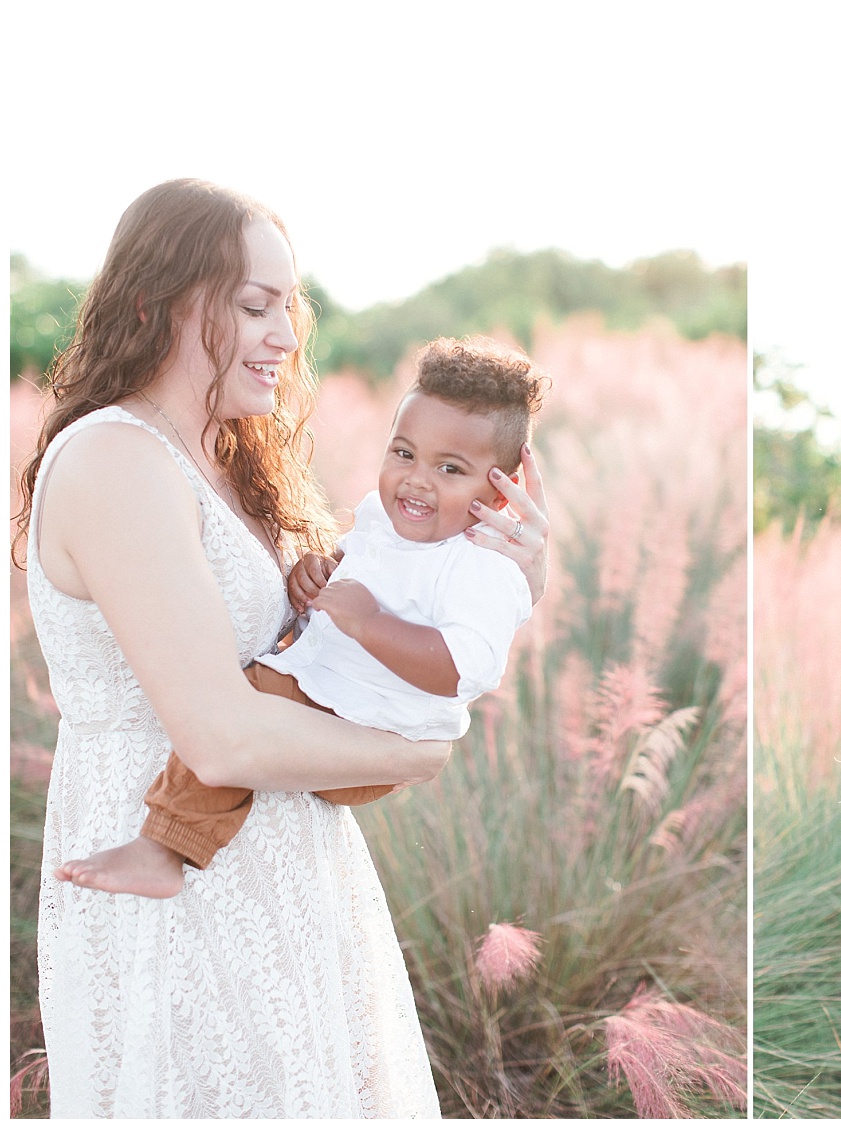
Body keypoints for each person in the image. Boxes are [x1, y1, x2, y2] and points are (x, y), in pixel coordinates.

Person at [14, 179, 549, 1117]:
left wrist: (511, 567)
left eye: (288, 309)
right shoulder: (116, 457)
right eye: (254, 305)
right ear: (158, 301)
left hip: (286, 872)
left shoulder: (227, 457)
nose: (285, 336)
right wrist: (417, 755)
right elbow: (220, 738)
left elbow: (388, 618)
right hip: (171, 889)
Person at [52, 336, 544, 900]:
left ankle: (164, 846)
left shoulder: (485, 565)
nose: (416, 479)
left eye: (450, 468)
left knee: (245, 703)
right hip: (336, 696)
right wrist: (315, 575)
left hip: (377, 725)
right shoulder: (383, 522)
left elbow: (465, 670)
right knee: (251, 707)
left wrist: (366, 624)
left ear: (501, 493)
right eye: (403, 453)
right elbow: (353, 574)